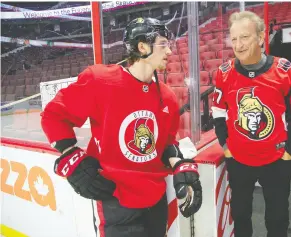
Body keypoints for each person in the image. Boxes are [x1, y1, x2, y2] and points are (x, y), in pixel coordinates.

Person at [41, 17, 202, 237]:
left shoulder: (168, 97)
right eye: (163, 44)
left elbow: (165, 144)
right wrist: (71, 156)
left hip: (155, 199)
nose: (169, 51)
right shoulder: (100, 80)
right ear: (143, 46)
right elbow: (53, 115)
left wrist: (181, 165)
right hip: (115, 198)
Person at [211, 11, 291, 237]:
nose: (238, 44)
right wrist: (226, 147)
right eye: (234, 39)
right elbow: (218, 112)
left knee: (277, 219)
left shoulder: (285, 70)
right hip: (239, 161)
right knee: (241, 215)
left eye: (244, 37)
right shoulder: (224, 73)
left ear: (261, 37)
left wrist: (289, 151)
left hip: (276, 161)